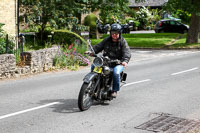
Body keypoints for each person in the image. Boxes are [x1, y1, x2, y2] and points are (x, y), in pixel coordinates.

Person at [87, 23, 131, 98]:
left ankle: (114, 90)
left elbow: (127, 52)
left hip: (118, 63)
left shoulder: (123, 42)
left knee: (116, 72)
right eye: (113, 33)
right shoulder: (107, 40)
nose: (114, 35)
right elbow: (98, 46)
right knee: (93, 66)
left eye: (116, 33)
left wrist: (125, 61)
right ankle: (94, 83)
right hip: (106, 61)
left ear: (119, 33)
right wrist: (92, 52)